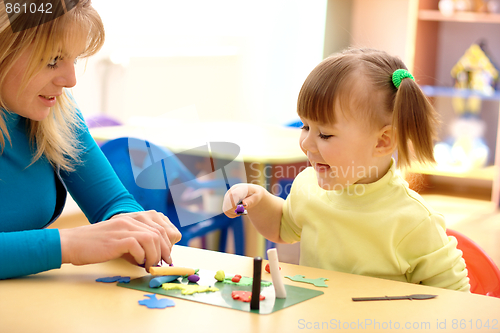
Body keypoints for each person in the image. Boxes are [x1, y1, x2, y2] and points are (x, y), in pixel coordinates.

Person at [223, 48, 470, 291]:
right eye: (305, 126)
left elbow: (457, 296)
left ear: (382, 141)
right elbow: (282, 227)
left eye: (325, 134)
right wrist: (259, 199)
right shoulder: (307, 186)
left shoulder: (413, 220)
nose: (306, 143)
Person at [0, 0, 182, 280]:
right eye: (52, 61)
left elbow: (112, 202)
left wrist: (129, 223)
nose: (71, 80)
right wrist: (70, 245)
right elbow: (74, 243)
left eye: (74, 59)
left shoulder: (57, 111)